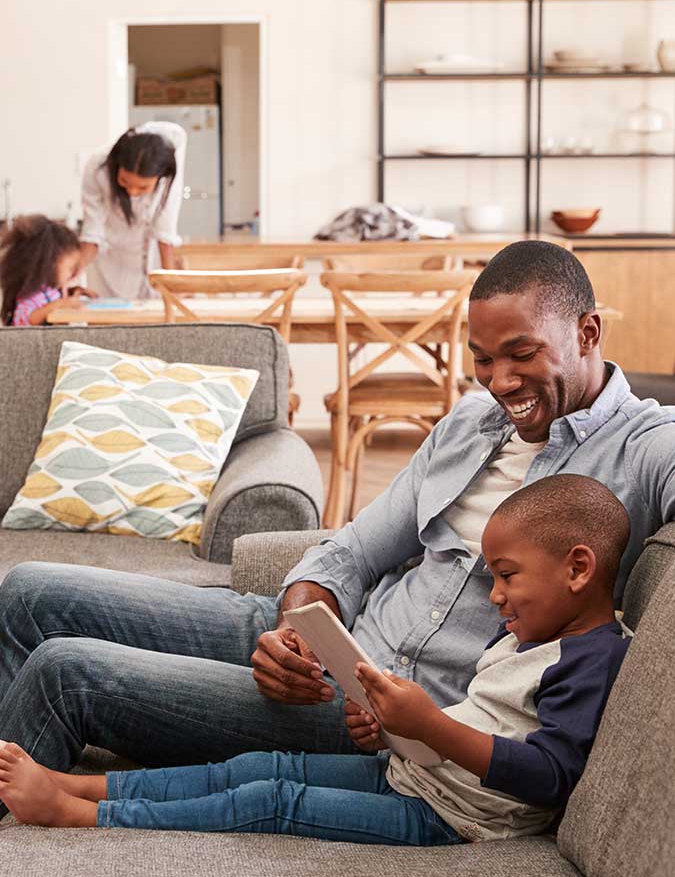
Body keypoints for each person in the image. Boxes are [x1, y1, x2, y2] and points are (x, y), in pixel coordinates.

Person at [0, 240, 673, 791]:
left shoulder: (643, 447)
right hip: (328, 640)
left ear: (587, 333)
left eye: (522, 355)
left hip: (384, 714)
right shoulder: (472, 423)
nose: (499, 383)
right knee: (27, 590)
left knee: (68, 671)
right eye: (483, 360)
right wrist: (298, 625)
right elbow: (351, 552)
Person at [0, 475, 632, 845]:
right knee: (258, 767)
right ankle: (81, 782)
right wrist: (390, 730)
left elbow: (550, 775)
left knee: (271, 798)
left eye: (505, 577)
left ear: (578, 568)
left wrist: (426, 724)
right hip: (412, 767)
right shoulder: (531, 632)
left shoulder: (592, 659)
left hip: (447, 815)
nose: (492, 595)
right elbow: (352, 549)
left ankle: (84, 813)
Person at [78, 122, 186, 299]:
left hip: (148, 257)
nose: (132, 192)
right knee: (107, 316)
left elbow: (165, 229)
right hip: (108, 257)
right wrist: (73, 273)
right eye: (124, 182)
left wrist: (172, 283)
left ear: (160, 178)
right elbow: (92, 230)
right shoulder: (97, 166)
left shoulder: (169, 167)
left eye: (143, 188)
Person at [0, 214, 92, 326]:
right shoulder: (30, 295)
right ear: (48, 265)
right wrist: (59, 304)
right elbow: (26, 319)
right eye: (69, 269)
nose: (72, 274)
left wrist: (74, 292)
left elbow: (54, 299)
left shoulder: (50, 290)